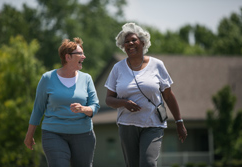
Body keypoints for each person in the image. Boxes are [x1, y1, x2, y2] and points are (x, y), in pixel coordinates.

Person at [105, 23, 187, 167]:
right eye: (126, 42)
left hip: (153, 123)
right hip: (127, 125)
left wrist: (179, 122)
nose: (130, 43)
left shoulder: (157, 65)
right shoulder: (118, 68)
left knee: (148, 163)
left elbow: (168, 96)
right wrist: (124, 103)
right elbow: (109, 99)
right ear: (123, 46)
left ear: (142, 43)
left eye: (133, 40)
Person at [24, 37, 100, 167]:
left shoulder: (87, 79)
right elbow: (38, 108)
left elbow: (95, 105)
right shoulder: (47, 78)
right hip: (53, 134)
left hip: (83, 134)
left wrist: (83, 109)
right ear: (68, 57)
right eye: (80, 53)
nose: (84, 56)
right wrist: (29, 135)